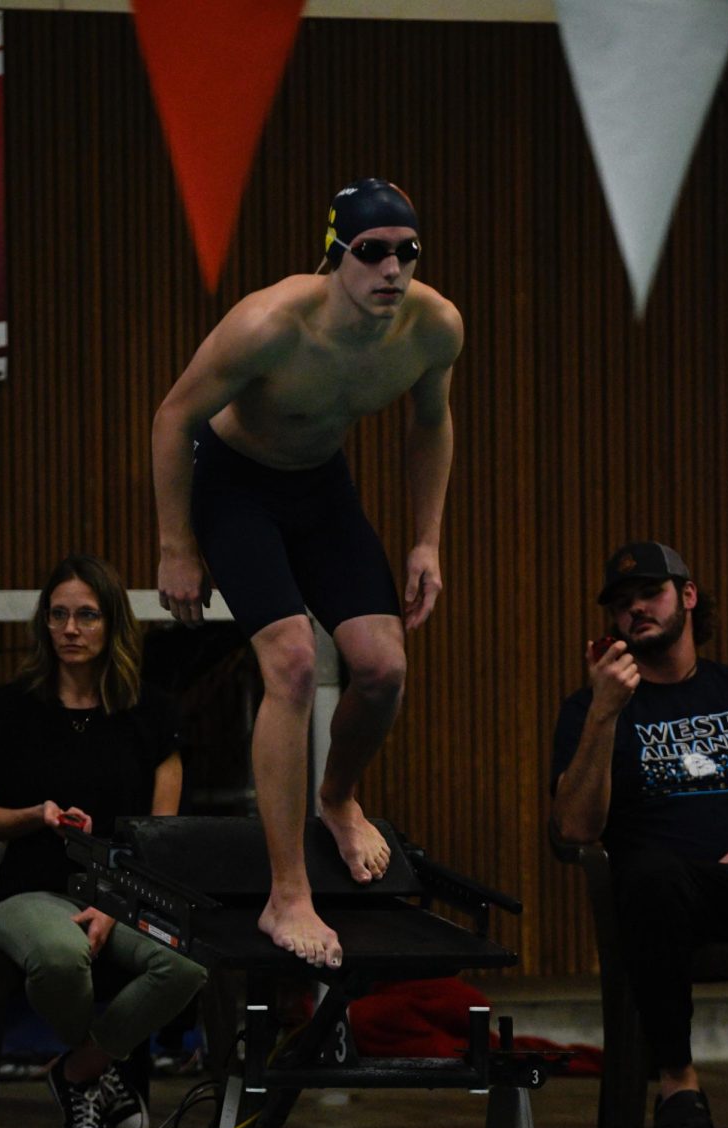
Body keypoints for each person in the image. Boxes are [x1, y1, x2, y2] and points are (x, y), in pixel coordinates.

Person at [153, 178, 463, 969]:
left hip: (321, 487)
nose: (392, 269)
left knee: (384, 670)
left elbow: (432, 423)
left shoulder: (433, 328)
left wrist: (426, 541)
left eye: (406, 252)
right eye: (372, 252)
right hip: (234, 486)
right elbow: (172, 416)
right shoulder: (269, 323)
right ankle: (287, 892)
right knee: (290, 663)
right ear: (336, 255)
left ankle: (337, 796)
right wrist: (176, 545)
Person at [0, 554, 207, 1128]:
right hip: (29, 889)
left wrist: (116, 903)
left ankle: (77, 1073)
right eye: (59, 615)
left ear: (112, 624)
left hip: (122, 889)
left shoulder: (151, 712)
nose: (71, 628)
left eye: (87, 616)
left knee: (185, 965)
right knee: (63, 955)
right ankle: (102, 1071)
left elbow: (162, 831)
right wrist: (32, 815)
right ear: (45, 624)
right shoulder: (12, 707)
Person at [551, 540, 728, 1128]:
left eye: (651, 594)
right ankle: (678, 1081)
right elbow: (575, 830)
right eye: (622, 603)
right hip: (661, 898)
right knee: (653, 876)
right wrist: (605, 713)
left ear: (687, 596)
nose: (636, 609)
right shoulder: (590, 707)